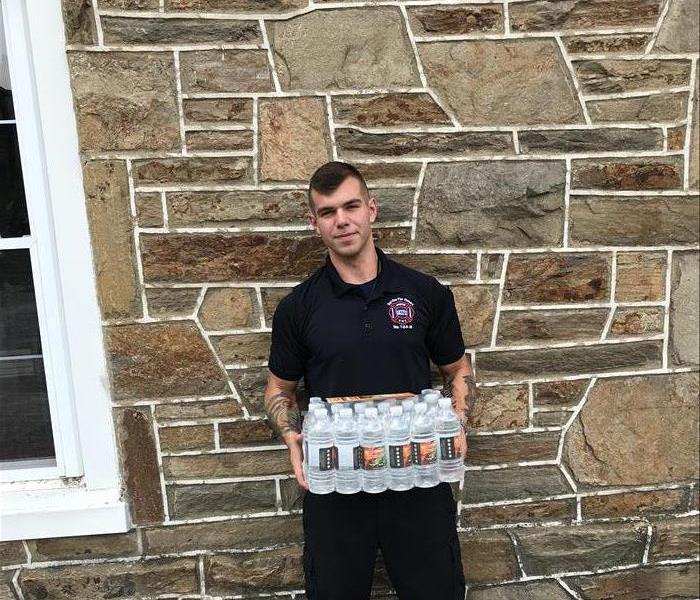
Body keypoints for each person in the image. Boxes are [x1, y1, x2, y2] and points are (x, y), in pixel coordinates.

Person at [264, 161, 476, 600]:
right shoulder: (298, 308)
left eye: (351, 206)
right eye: (327, 212)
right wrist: (292, 440)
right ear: (315, 223)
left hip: (419, 478)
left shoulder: (424, 293)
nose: (341, 220)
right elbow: (279, 390)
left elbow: (457, 370)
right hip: (336, 484)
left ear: (371, 210)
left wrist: (457, 423)